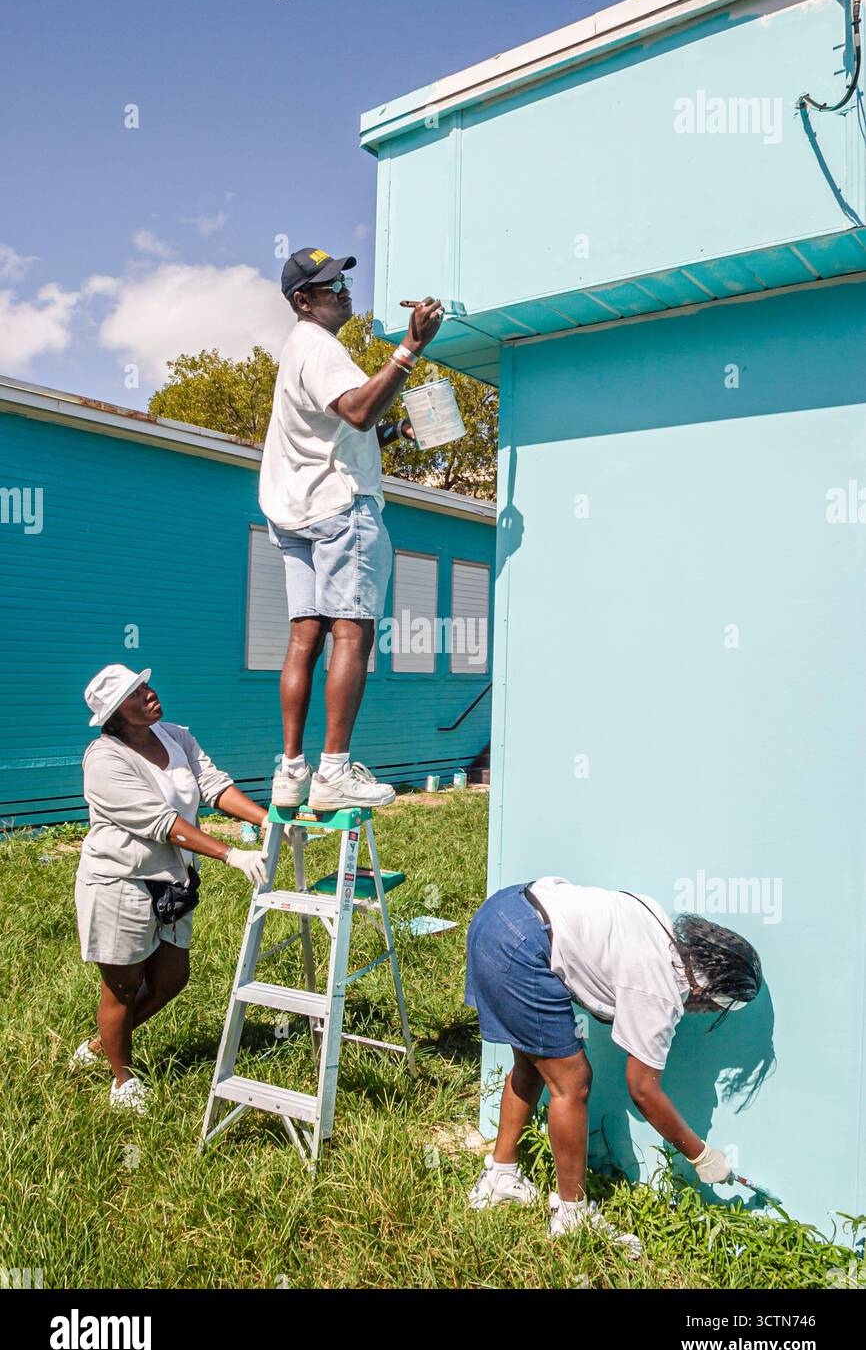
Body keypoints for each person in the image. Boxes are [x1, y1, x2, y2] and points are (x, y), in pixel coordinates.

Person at [464, 878, 763, 1253]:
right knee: (573, 1083)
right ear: (704, 993)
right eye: (714, 1009)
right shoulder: (661, 991)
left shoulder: (658, 920)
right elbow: (643, 1090)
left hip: (501, 913)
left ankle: (500, 1178)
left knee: (533, 1065)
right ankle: (572, 1216)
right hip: (522, 946)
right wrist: (699, 1154)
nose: (703, 1014)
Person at [259, 245, 444, 811]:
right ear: (303, 301)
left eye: (342, 281)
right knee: (353, 631)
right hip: (341, 508)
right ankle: (335, 771)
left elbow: (340, 431)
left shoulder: (298, 351)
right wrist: (410, 346)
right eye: (330, 286)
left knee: (304, 636)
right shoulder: (320, 346)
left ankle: (292, 770)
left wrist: (393, 437)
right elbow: (360, 410)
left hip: (295, 509)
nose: (343, 292)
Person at [71, 664, 272, 1113]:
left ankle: (102, 1044)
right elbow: (160, 823)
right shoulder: (105, 759)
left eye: (146, 686)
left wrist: (266, 820)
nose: (149, 694)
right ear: (116, 714)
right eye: (135, 694)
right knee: (123, 987)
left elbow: (213, 786)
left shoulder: (175, 735)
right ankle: (122, 1080)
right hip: (119, 881)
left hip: (173, 881)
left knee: (171, 979)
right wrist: (230, 854)